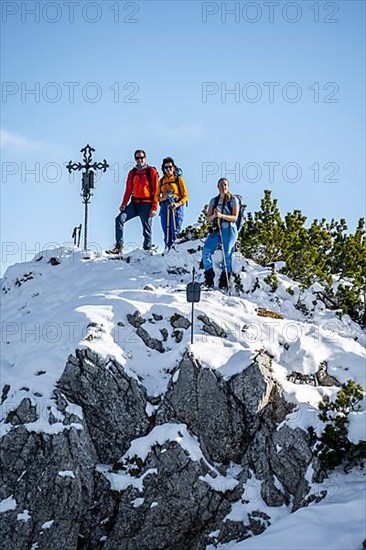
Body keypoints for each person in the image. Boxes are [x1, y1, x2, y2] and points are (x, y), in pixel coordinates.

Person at [107, 150, 159, 254]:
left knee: (146, 228)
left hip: (147, 203)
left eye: (141, 157)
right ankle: (119, 246)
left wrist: (154, 207)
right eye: (137, 158)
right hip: (134, 203)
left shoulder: (151, 171)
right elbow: (128, 189)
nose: (140, 160)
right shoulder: (132, 172)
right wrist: (124, 204)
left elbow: (156, 190)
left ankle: (147, 249)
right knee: (119, 219)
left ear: (145, 157)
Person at [202, 178, 239, 289]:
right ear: (218, 187)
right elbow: (208, 218)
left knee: (227, 253)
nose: (224, 187)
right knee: (206, 251)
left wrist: (221, 216)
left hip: (229, 230)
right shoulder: (214, 201)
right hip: (217, 230)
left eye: (226, 185)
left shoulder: (233, 200)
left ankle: (224, 281)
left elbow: (234, 217)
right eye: (221, 185)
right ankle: (209, 278)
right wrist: (214, 216)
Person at [155, 157, 188, 250]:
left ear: (173, 168)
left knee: (175, 229)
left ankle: (175, 250)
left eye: (170, 167)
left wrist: (178, 204)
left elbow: (185, 195)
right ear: (163, 169)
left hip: (176, 205)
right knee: (166, 230)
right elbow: (156, 197)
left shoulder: (178, 179)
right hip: (165, 206)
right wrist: (163, 198)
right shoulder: (161, 181)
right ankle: (167, 248)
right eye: (166, 167)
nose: (168, 169)